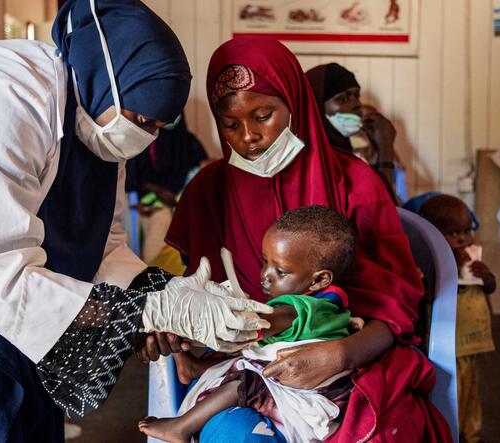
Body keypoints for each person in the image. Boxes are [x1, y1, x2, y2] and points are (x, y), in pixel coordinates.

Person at [0, 1, 272, 441]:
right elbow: (1, 274)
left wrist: (165, 290)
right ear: (104, 82)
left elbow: (104, 242)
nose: (145, 137)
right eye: (141, 120)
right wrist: (147, 311)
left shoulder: (95, 118)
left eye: (157, 127)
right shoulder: (2, 99)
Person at [160, 36, 452, 441]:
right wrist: (182, 338)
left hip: (355, 358)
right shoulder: (209, 192)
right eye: (229, 124)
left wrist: (339, 354)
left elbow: (396, 307)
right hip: (244, 370)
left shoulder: (355, 183)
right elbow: (201, 298)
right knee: (236, 435)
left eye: (263, 115)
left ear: (295, 104)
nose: (248, 137)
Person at [139, 205, 359, 442]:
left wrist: (182, 320)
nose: (265, 274)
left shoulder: (300, 310)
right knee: (238, 357)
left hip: (306, 399)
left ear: (319, 280)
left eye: (280, 271)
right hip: (293, 381)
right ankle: (191, 367)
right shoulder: (325, 301)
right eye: (265, 262)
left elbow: (251, 325)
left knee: (241, 382)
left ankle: (181, 428)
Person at [419, 195, 496, 443]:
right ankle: (451, 431)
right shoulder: (430, 264)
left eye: (466, 231)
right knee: (452, 390)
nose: (463, 239)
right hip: (450, 345)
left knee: (472, 389)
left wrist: (486, 276)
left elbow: (490, 287)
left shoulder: (475, 258)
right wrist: (450, 265)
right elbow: (429, 296)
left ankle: (472, 432)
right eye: (453, 234)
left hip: (474, 340)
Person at [305, 63, 406, 202]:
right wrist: (385, 149)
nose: (356, 104)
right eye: (342, 98)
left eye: (356, 96)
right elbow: (382, 207)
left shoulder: (343, 150)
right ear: (315, 105)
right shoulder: (314, 159)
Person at [125, 115, 208, 263]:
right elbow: (132, 177)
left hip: (181, 201)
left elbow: (202, 168)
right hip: (147, 202)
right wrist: (159, 191)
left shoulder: (185, 140)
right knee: (160, 222)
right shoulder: (143, 139)